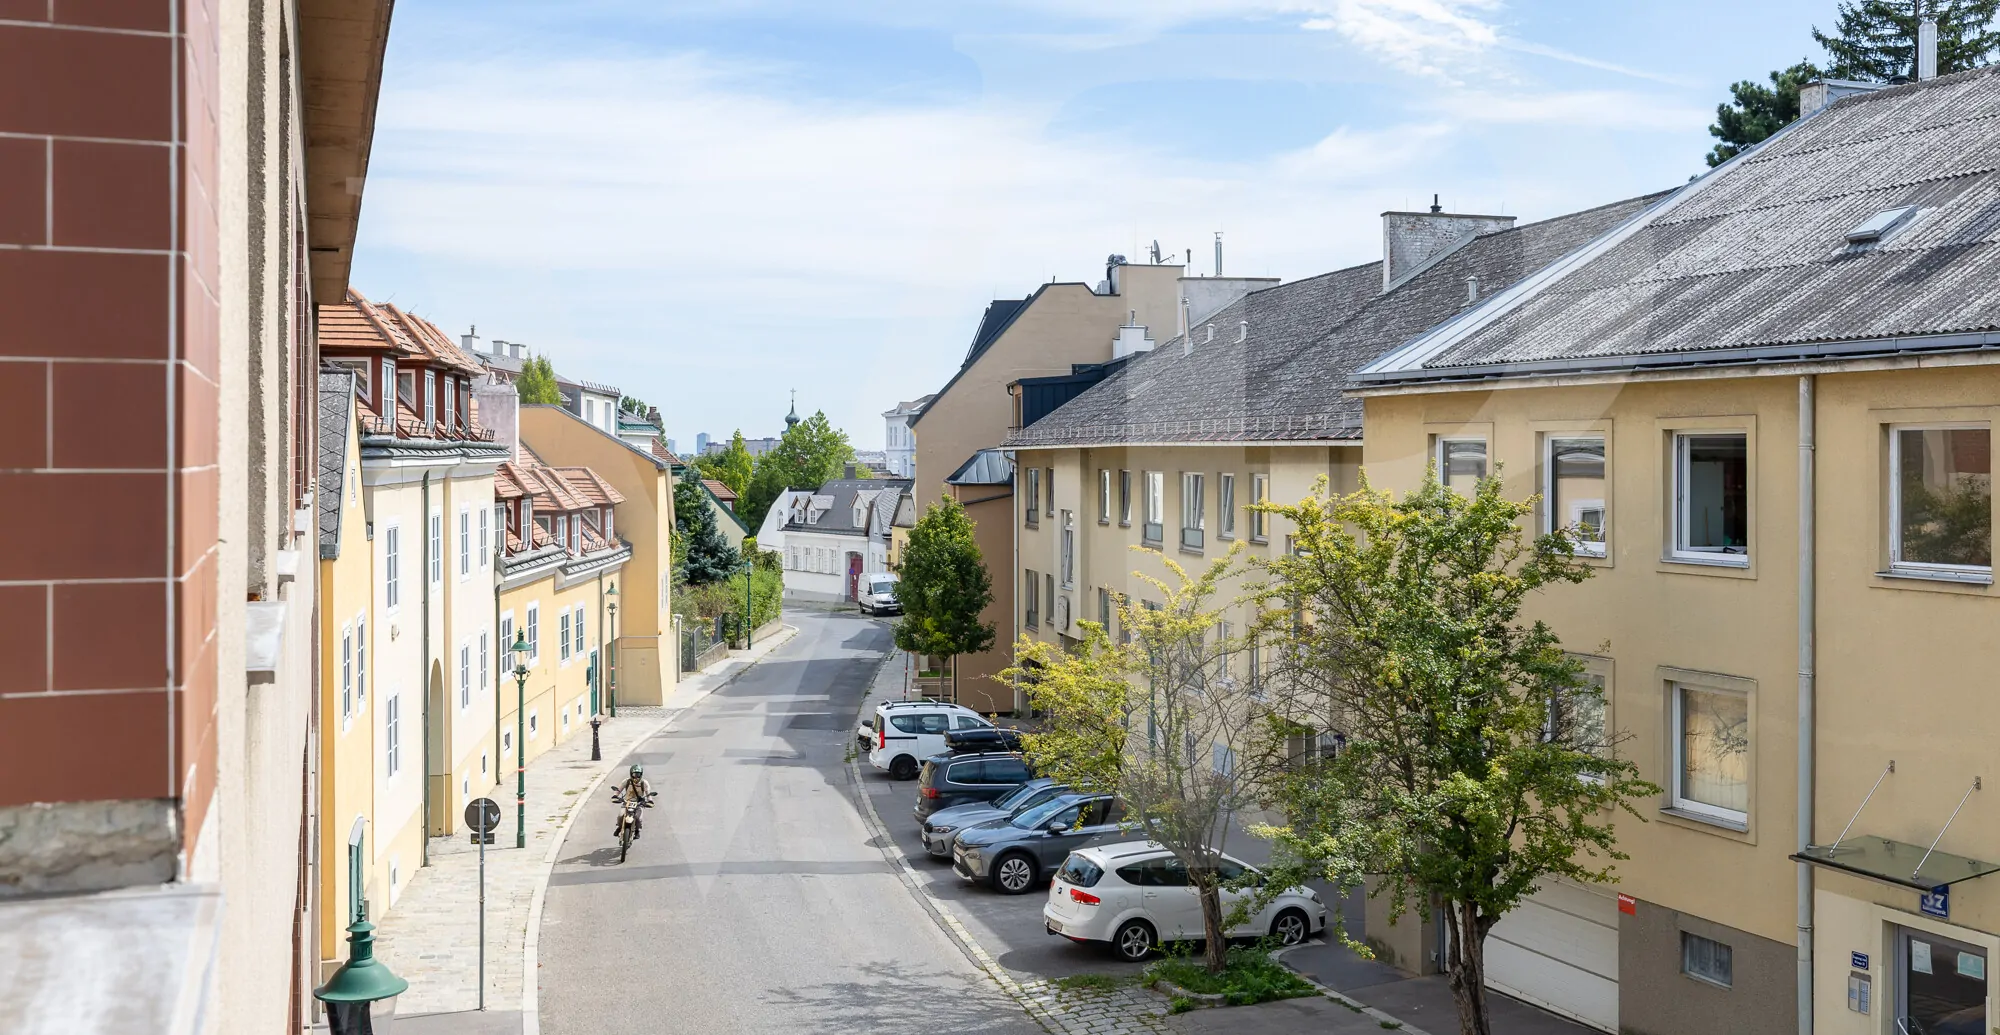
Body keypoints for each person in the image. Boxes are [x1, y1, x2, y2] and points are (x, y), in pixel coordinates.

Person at [613, 764, 652, 838]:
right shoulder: (626, 781)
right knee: (620, 816)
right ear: (631, 774)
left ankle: (637, 830)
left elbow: (648, 793)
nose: (636, 777)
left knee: (638, 818)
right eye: (634, 774)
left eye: (638, 774)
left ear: (641, 774)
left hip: (638, 803)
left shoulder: (644, 783)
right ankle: (619, 827)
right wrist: (615, 796)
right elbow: (618, 790)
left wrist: (649, 801)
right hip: (626, 802)